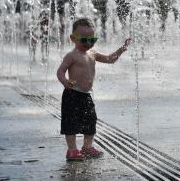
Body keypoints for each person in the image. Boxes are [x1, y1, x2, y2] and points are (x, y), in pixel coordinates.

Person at [56, 17, 131, 161]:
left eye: (92, 39)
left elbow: (110, 59)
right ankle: (72, 150)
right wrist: (65, 81)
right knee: (70, 123)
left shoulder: (93, 53)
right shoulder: (72, 56)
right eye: (84, 40)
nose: (89, 43)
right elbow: (60, 71)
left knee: (91, 121)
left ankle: (87, 147)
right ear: (73, 38)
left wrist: (121, 50)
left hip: (86, 95)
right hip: (72, 93)